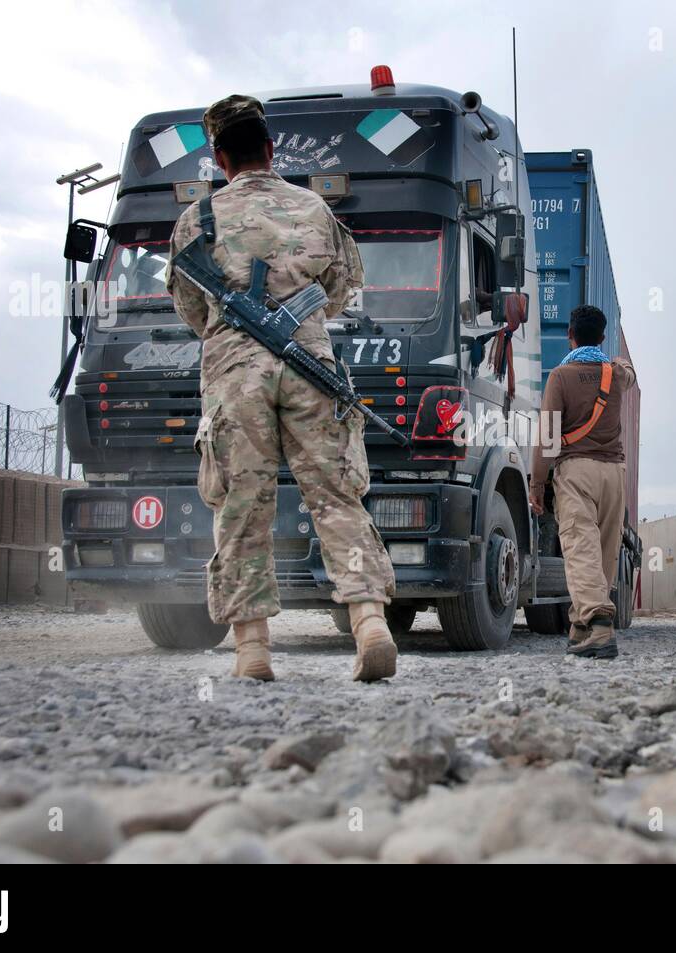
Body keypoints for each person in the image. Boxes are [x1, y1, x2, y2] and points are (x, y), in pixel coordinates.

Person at [165, 94, 397, 682]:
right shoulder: (315, 209)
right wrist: (296, 317)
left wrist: (239, 329)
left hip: (234, 376)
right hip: (310, 365)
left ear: (220, 158)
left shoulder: (199, 219)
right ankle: (369, 622)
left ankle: (253, 651)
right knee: (336, 495)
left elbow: (193, 309)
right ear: (271, 150)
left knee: (242, 504)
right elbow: (343, 289)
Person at [529, 305, 636, 658]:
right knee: (603, 555)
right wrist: (620, 361)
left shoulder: (561, 376)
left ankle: (601, 627)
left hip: (577, 472)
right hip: (614, 475)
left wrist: (536, 486)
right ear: (602, 338)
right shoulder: (616, 375)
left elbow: (547, 438)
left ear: (569, 335)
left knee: (579, 550)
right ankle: (580, 627)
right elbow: (629, 372)